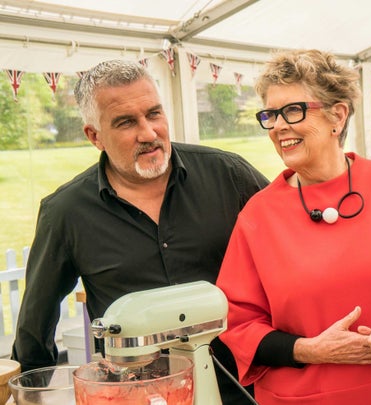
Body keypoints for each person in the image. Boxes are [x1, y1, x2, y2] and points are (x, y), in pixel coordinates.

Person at [11, 59, 269, 404]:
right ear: (94, 136)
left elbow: (291, 249)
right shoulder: (65, 212)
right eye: (126, 123)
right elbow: (36, 322)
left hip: (247, 386)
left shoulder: (229, 175)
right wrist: (32, 394)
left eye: (154, 114)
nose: (148, 133)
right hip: (136, 393)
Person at [216, 49, 371, 404]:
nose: (279, 126)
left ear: (338, 115)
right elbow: (239, 324)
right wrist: (309, 349)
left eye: (293, 111)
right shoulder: (258, 215)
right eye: (271, 115)